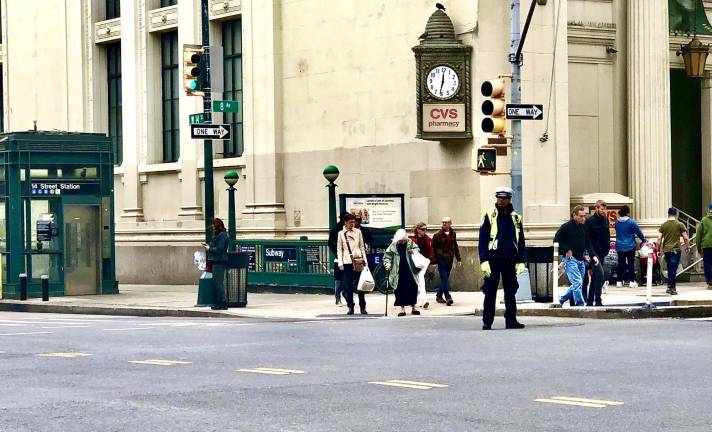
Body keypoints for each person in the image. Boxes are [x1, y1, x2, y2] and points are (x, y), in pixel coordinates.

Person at [479, 186, 526, 330]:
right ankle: (487, 321)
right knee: (490, 291)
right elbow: (483, 239)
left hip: (510, 259)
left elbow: (521, 241)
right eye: (499, 197)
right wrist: (484, 260)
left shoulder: (516, 218)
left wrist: (521, 261)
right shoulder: (490, 215)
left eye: (504, 198)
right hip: (493, 259)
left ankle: (511, 320)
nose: (500, 200)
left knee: (511, 291)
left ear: (509, 199)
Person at [554, 206, 599, 307]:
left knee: (578, 284)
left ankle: (560, 300)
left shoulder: (583, 227)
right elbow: (556, 240)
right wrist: (566, 250)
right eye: (581, 216)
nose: (583, 218)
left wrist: (593, 256)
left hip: (580, 258)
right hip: (570, 259)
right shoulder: (566, 227)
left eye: (584, 216)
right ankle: (580, 304)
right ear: (574, 215)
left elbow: (588, 243)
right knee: (578, 282)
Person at [384, 229, 420, 317]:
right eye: (401, 240)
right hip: (398, 272)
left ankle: (413, 307)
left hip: (410, 270)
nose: (402, 241)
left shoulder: (410, 243)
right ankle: (402, 309)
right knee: (400, 290)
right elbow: (387, 256)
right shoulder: (393, 246)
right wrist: (387, 265)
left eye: (404, 239)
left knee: (412, 288)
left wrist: (413, 251)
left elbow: (417, 249)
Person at [337, 213, 368, 315]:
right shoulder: (341, 233)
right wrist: (340, 263)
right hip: (347, 262)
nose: (352, 224)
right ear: (345, 222)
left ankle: (363, 307)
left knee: (361, 285)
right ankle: (351, 307)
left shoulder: (358, 232)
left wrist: (365, 261)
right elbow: (339, 249)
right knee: (348, 286)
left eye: (353, 222)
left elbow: (362, 247)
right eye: (350, 222)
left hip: (358, 260)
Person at [584, 199, 610, 306]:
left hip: (602, 251)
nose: (603, 211)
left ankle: (590, 300)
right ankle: (598, 299)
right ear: (597, 208)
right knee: (600, 274)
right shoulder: (590, 221)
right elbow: (587, 238)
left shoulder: (605, 220)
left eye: (604, 209)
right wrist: (588, 253)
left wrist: (607, 247)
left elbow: (607, 234)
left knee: (595, 276)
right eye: (602, 209)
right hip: (593, 252)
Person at [432, 217, 462, 305]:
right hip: (441, 259)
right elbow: (433, 248)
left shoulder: (453, 234)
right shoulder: (437, 234)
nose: (444, 224)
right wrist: (433, 261)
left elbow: (455, 246)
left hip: (449, 259)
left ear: (450, 223)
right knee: (444, 279)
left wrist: (458, 258)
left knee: (444, 279)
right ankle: (448, 297)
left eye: (446, 222)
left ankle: (438, 295)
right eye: (443, 222)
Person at [615, 205, 646, 288]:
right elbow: (638, 232)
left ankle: (619, 281)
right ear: (628, 212)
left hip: (619, 245)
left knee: (620, 263)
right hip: (630, 245)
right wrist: (644, 240)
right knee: (631, 264)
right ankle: (632, 281)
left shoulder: (617, 222)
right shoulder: (631, 222)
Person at [202, 218, 229, 310]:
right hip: (217, 261)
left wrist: (209, 249)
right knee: (217, 282)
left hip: (219, 261)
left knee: (218, 283)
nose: (212, 228)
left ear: (217, 225)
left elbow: (219, 249)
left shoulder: (222, 235)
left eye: (214, 225)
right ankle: (219, 301)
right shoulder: (220, 235)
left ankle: (222, 302)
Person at [409, 222, 434, 309]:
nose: (425, 231)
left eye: (426, 229)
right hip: (417, 262)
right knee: (420, 280)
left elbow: (431, 251)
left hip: (425, 261)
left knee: (420, 279)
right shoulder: (412, 239)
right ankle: (422, 300)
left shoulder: (428, 239)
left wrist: (433, 262)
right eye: (423, 229)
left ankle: (424, 300)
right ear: (418, 230)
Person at [328, 213, 348, 306]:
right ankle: (338, 297)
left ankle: (344, 294)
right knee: (338, 278)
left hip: (348, 257)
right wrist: (337, 252)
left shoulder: (351, 230)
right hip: (339, 257)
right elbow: (330, 243)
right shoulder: (336, 230)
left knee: (344, 278)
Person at [695, 204, 712, 290]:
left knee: (708, 264)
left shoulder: (704, 220)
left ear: (709, 210)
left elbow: (698, 236)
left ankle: (710, 283)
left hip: (707, 246)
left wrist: (698, 248)